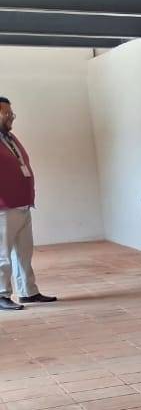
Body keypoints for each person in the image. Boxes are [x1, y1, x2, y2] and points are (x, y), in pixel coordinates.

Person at [0, 96, 54, 310]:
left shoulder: (9, 138)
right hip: (3, 207)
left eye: (12, 113)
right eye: (7, 113)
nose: (11, 116)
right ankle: (1, 294)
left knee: (24, 252)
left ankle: (28, 292)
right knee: (2, 254)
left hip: (21, 204)